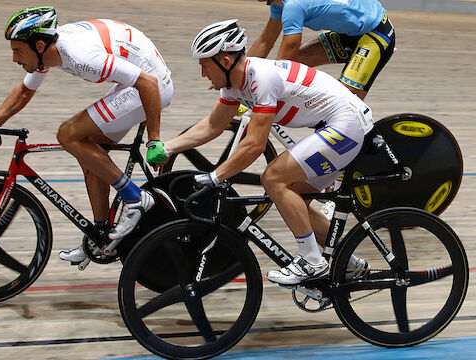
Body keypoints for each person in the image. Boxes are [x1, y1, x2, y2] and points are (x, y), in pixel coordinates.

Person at [156, 19, 371, 285]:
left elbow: (255, 145)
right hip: (335, 126)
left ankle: (312, 263)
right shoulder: (235, 84)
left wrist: (215, 177)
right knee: (295, 202)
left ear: (224, 61)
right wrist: (168, 147)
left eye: (204, 65)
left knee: (272, 178)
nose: (202, 74)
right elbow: (213, 126)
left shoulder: (261, 79)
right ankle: (350, 264)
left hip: (345, 126)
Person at [0, 7, 173, 266]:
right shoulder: (46, 52)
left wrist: (154, 140)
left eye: (18, 50)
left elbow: (149, 84)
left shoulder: (80, 55)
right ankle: (102, 238)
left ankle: (137, 199)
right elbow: (24, 92)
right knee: (92, 157)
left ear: (39, 45)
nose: (15, 59)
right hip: (135, 82)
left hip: (152, 85)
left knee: (68, 134)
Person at [248, 0, 395, 100]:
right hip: (351, 32)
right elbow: (265, 42)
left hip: (376, 34)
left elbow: (284, 63)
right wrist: (238, 74)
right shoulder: (279, 4)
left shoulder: (294, 6)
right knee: (298, 61)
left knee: (344, 105)